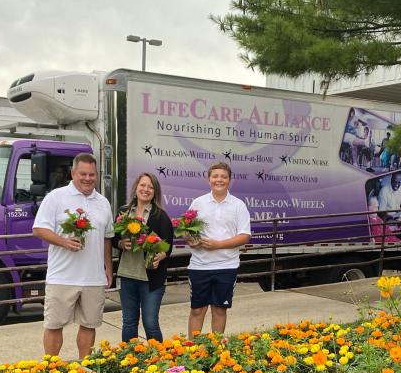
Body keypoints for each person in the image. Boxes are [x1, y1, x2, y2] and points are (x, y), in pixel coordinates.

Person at [32, 153, 114, 359]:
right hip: (62, 276)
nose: (87, 179)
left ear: (97, 175)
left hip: (93, 278)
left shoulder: (103, 202)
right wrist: (64, 242)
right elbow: (39, 229)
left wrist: (108, 268)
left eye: (92, 175)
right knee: (54, 325)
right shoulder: (56, 197)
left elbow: (107, 238)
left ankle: (85, 367)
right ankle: (51, 369)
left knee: (89, 325)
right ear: (73, 173)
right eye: (83, 174)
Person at [186, 162, 251, 336]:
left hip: (226, 267)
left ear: (229, 180)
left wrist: (218, 245)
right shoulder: (198, 203)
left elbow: (245, 236)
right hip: (200, 266)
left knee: (219, 310)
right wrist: (191, 240)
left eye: (223, 176)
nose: (219, 180)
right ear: (209, 180)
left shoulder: (238, 205)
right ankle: (192, 351)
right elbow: (186, 231)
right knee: (197, 311)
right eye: (215, 176)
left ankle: (215, 350)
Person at [114, 172, 173, 342]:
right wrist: (120, 244)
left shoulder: (160, 216)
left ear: (155, 192)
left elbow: (167, 247)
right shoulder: (123, 212)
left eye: (150, 187)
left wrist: (159, 257)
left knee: (150, 323)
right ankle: (130, 363)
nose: (146, 189)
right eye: (143, 185)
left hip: (151, 279)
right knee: (129, 324)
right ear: (136, 187)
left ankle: (158, 363)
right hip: (127, 276)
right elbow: (114, 238)